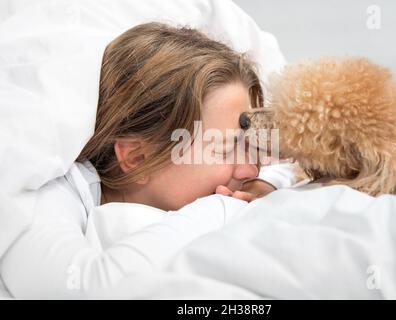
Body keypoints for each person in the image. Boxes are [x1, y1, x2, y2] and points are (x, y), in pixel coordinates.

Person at [0, 22, 294, 298]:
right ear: (138, 158)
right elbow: (86, 290)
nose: (251, 168)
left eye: (251, 146)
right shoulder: (44, 196)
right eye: (223, 149)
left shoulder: (254, 173)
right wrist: (226, 207)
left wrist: (268, 183)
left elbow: (290, 167)